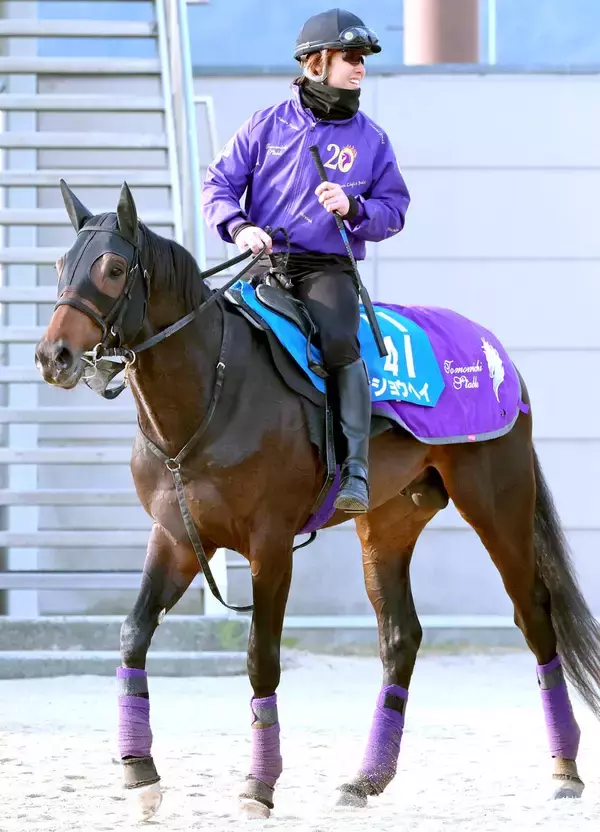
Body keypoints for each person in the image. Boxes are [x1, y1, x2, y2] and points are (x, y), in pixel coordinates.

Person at [201, 8, 410, 514]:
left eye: (363, 60)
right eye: (351, 58)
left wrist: (356, 208)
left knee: (341, 343)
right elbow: (218, 185)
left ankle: (356, 470)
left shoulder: (373, 139)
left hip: (326, 268)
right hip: (261, 263)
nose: (360, 68)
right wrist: (241, 226)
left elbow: (395, 209)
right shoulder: (264, 124)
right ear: (316, 64)